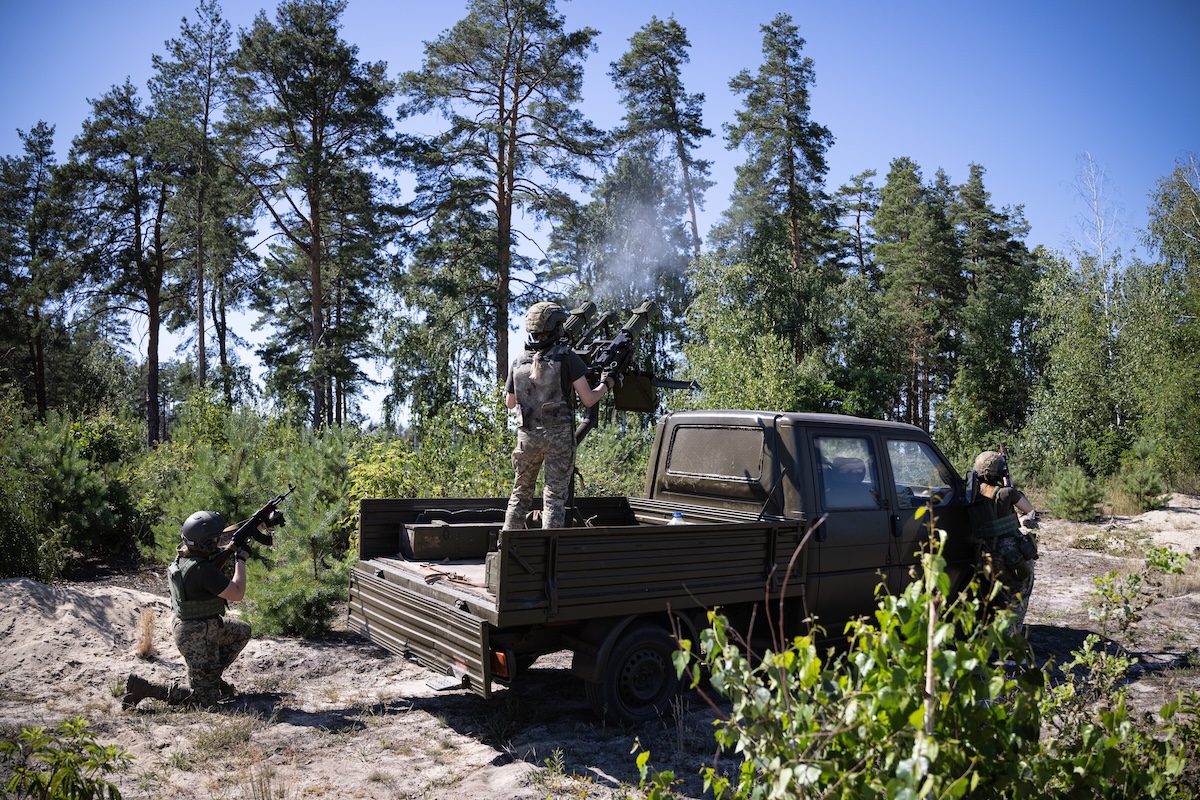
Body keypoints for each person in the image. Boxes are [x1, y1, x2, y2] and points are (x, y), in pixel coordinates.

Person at [122, 510, 255, 710]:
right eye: (215, 539)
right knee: (204, 703)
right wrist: (240, 560)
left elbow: (215, 553)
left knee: (241, 631)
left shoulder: (185, 557)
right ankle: (145, 688)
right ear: (207, 544)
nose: (219, 540)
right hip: (198, 635)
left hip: (192, 627)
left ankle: (209, 678)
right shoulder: (204, 570)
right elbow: (237, 593)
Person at [503, 301, 615, 531]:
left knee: (520, 493)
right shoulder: (566, 357)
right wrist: (606, 383)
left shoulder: (518, 360)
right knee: (554, 496)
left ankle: (507, 545)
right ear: (556, 328)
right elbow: (589, 399)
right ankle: (548, 551)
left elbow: (510, 402)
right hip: (558, 439)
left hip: (527, 439)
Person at [969, 450, 1039, 632]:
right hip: (1010, 556)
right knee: (1017, 599)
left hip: (984, 555)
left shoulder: (972, 494)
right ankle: (1009, 647)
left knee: (996, 598)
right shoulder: (1006, 493)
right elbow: (1029, 510)